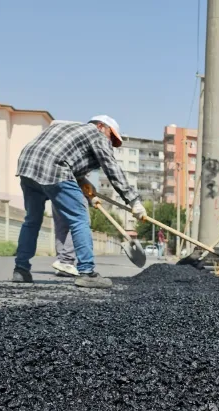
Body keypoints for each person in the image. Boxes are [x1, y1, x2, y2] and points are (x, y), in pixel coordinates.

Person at [13, 115, 145, 288]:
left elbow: (68, 157)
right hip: (54, 167)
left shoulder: (68, 128)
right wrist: (133, 200)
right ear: (101, 126)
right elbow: (111, 167)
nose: (110, 142)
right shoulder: (96, 134)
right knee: (79, 219)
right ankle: (87, 272)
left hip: (27, 165)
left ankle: (21, 270)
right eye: (111, 137)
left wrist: (85, 185)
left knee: (32, 220)